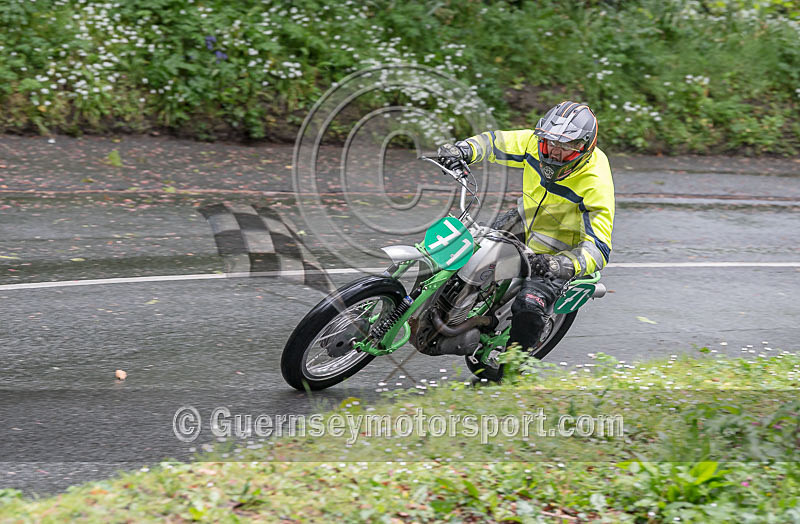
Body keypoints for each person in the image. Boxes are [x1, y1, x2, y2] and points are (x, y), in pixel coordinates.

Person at [437, 101, 615, 356]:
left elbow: (599, 248)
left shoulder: (596, 183)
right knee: (471, 254)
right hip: (525, 220)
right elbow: (494, 142)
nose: (553, 152)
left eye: (564, 148)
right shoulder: (536, 143)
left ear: (583, 149)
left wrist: (560, 266)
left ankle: (514, 366)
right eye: (550, 143)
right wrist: (463, 149)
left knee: (529, 305)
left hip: (559, 253)